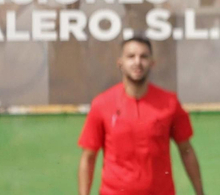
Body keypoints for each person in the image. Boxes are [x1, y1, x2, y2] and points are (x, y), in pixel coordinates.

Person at [78, 35, 205, 195]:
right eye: (131, 56)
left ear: (152, 63)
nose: (137, 62)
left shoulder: (170, 103)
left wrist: (200, 193)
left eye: (143, 56)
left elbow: (186, 150)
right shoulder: (102, 104)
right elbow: (88, 157)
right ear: (120, 63)